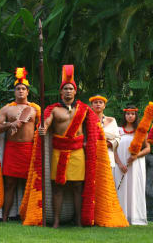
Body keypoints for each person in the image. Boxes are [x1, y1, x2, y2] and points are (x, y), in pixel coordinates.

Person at [27, 65, 129, 228]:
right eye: (65, 88)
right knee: (58, 187)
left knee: (77, 186)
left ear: (75, 92)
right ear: (61, 92)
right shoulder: (53, 110)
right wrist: (43, 128)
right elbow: (46, 123)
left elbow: (94, 128)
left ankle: (79, 221)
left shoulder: (84, 109)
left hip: (77, 152)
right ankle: (57, 221)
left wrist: (91, 143)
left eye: (71, 89)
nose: (68, 91)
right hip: (58, 152)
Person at [0, 67, 40, 222]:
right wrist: (9, 125)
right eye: (18, 89)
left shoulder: (35, 109)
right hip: (12, 149)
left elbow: (43, 128)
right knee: (10, 184)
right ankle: (5, 217)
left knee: (30, 184)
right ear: (14, 92)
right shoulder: (7, 109)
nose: (20, 91)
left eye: (23, 89)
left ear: (27, 92)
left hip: (28, 149)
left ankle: (28, 216)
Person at [114, 106, 150, 225]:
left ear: (136, 116)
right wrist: (119, 164)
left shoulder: (141, 131)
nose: (130, 116)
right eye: (128, 114)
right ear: (124, 116)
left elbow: (148, 149)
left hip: (136, 164)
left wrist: (136, 155)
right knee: (121, 188)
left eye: (132, 114)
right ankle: (120, 215)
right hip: (120, 165)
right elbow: (113, 149)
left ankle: (135, 217)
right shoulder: (118, 130)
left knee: (134, 187)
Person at [90, 95, 120, 176]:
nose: (98, 104)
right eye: (95, 102)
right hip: (91, 158)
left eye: (100, 102)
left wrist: (105, 144)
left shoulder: (112, 120)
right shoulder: (87, 121)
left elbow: (117, 138)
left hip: (108, 157)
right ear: (91, 106)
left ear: (104, 106)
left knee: (106, 185)